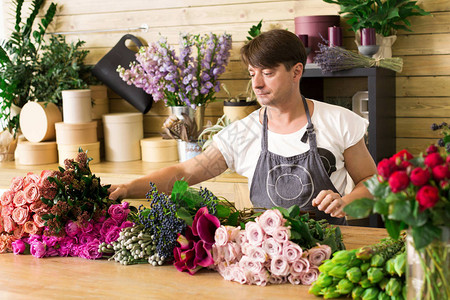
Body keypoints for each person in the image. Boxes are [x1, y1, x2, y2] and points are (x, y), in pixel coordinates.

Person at [108, 29, 377, 225]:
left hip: (332, 250)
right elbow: (184, 172)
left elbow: (372, 181)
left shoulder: (340, 121)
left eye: (268, 73)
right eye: (252, 74)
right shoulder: (241, 133)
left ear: (296, 72)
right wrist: (130, 188)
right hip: (265, 253)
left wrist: (346, 202)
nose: (257, 84)